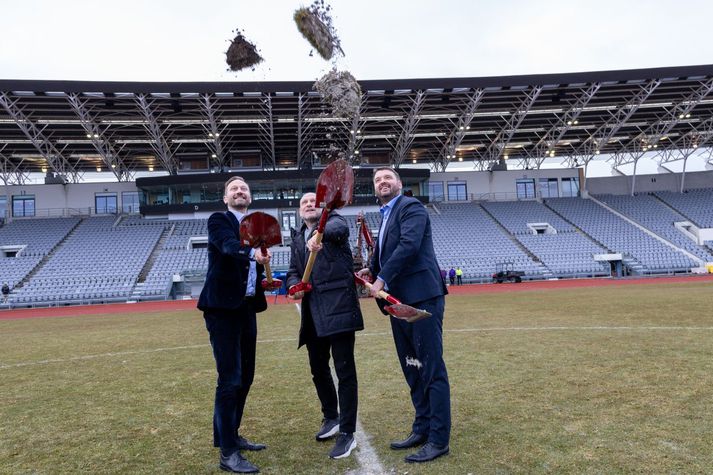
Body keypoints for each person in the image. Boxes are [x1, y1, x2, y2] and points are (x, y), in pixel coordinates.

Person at [357, 167, 451, 463]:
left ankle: (438, 439)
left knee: (430, 367)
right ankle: (421, 427)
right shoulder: (385, 215)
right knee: (413, 366)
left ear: (399, 183)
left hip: (421, 298)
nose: (382, 182)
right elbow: (386, 250)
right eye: (377, 180)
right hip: (398, 303)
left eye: (388, 177)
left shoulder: (410, 206)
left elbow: (409, 246)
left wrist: (381, 279)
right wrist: (371, 270)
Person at [197, 176, 271, 474]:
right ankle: (227, 453)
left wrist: (266, 273)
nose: (240, 191)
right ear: (226, 198)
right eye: (234, 189)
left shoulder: (258, 227)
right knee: (229, 378)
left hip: (246, 308)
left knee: (246, 377)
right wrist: (251, 252)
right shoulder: (219, 220)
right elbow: (228, 247)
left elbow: (255, 267)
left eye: (244, 189)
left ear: (250, 197)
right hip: (222, 309)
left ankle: (232, 434)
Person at [286, 192, 364, 459]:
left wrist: (317, 236)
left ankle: (348, 433)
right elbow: (293, 270)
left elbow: (337, 229)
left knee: (344, 371)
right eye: (304, 203)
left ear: (322, 209)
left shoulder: (335, 223)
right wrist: (292, 285)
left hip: (339, 307)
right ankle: (330, 417)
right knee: (318, 369)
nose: (309, 205)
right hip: (313, 312)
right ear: (299, 212)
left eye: (314, 202)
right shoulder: (297, 238)